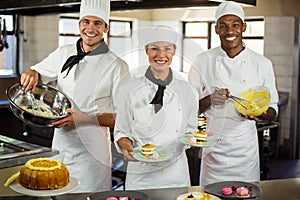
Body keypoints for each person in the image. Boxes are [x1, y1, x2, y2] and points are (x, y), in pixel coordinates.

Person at [20, 0, 130, 193]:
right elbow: (38, 72)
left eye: (97, 23)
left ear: (106, 28)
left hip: (92, 156)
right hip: (61, 147)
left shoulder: (117, 66)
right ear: (79, 25)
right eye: (86, 22)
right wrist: (32, 73)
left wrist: (84, 118)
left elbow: (124, 118)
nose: (90, 28)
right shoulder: (64, 53)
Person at [188, 1, 279, 186]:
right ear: (216, 30)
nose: (230, 31)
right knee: (210, 195)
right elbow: (188, 109)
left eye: (235, 25)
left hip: (245, 150)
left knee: (245, 194)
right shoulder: (202, 61)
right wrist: (210, 100)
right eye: (224, 26)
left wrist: (260, 113)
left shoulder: (262, 64)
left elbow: (273, 110)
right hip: (214, 148)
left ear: (244, 27)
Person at [113, 26, 199, 190]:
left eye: (167, 49)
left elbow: (190, 130)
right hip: (140, 174)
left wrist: (195, 139)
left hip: (176, 174)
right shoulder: (128, 89)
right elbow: (121, 131)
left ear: (174, 51)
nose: (161, 55)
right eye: (154, 48)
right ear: (146, 50)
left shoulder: (188, 91)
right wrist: (126, 147)